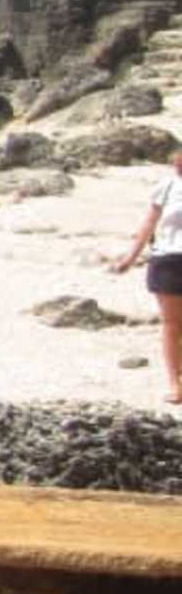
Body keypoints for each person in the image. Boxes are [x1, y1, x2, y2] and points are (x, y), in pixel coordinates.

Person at [109, 140, 182, 403]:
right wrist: (129, 259)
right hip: (167, 261)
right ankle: (176, 384)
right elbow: (148, 225)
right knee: (172, 325)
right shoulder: (167, 187)